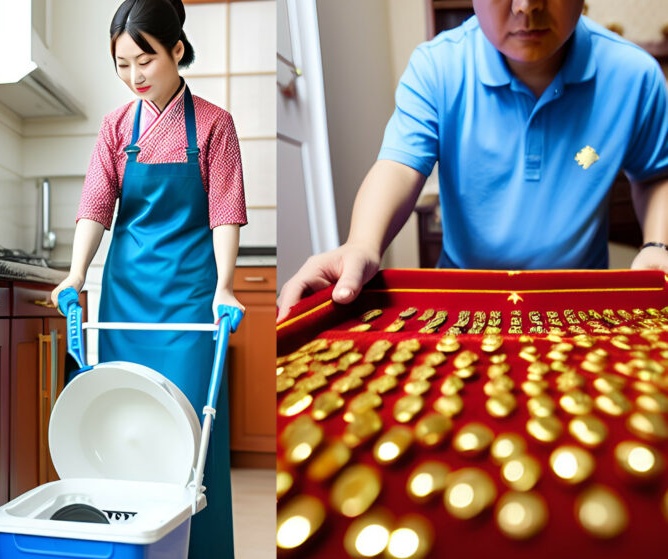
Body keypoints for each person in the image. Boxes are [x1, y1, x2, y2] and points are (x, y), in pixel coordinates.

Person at [277, 0, 668, 321]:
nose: (527, 6)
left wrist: (657, 244)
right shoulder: (437, 66)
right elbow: (398, 164)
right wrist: (362, 243)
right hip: (463, 299)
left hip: (580, 300)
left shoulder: (637, 75)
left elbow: (655, 175)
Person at [51, 1, 246, 557]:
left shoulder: (214, 124)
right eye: (122, 64)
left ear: (176, 50)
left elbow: (225, 213)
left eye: (145, 60)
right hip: (126, 295)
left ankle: (195, 547)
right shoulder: (116, 126)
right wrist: (75, 273)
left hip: (190, 298)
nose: (134, 76)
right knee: (126, 424)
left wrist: (224, 286)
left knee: (188, 432)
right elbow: (96, 206)